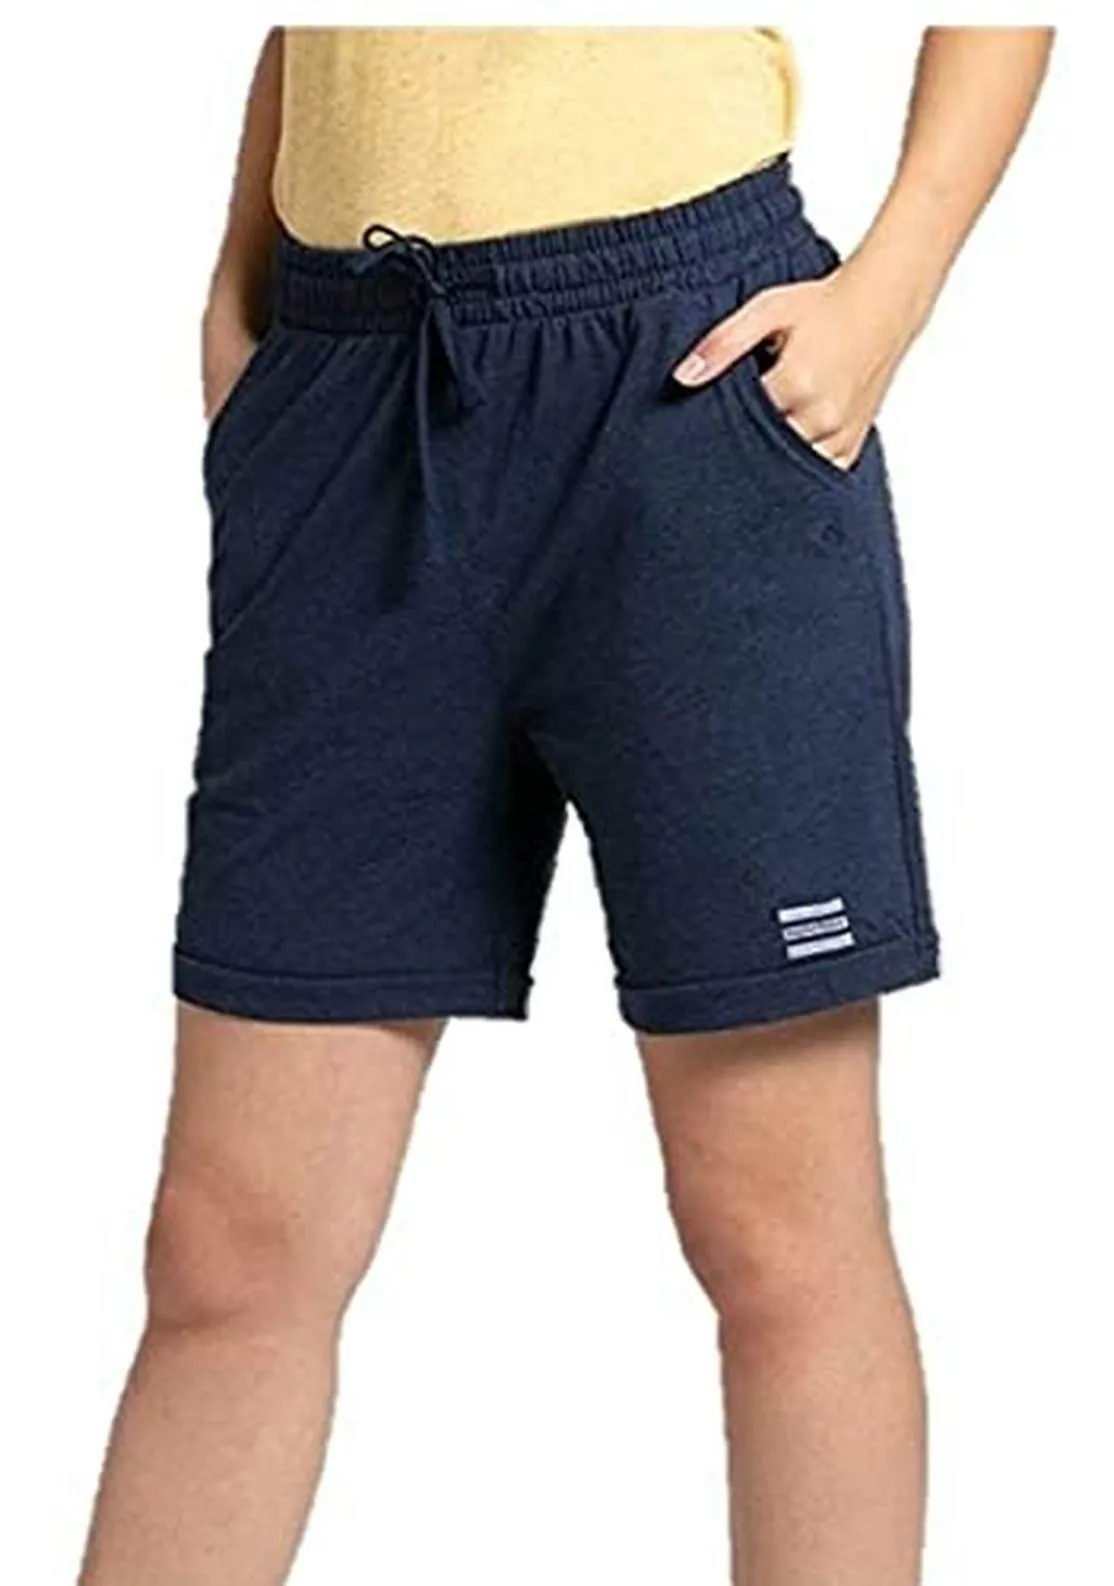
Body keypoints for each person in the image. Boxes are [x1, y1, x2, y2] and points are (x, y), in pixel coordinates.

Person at [78, 26, 1053, 1586]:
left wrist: (891, 288)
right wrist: (237, 281)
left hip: (686, 383)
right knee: (230, 1243)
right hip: (344, 381)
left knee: (775, 1229)